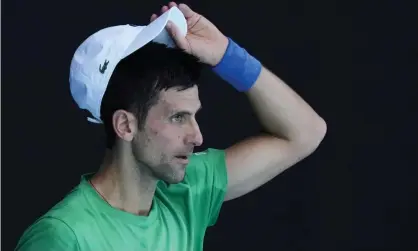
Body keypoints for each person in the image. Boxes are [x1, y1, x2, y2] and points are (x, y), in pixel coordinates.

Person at [15, 2, 327, 251]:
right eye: (178, 117)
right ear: (125, 125)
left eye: (194, 116)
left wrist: (226, 55)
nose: (197, 136)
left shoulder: (186, 191)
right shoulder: (63, 238)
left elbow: (305, 133)